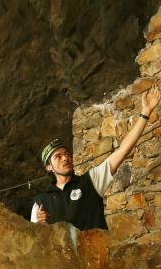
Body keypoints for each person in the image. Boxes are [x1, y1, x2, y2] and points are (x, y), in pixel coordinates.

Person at [32, 85, 161, 230]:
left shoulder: (91, 181)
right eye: (58, 156)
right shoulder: (41, 202)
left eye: (67, 154)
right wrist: (39, 225)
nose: (65, 158)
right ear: (49, 167)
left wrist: (145, 112)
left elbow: (123, 150)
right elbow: (35, 243)